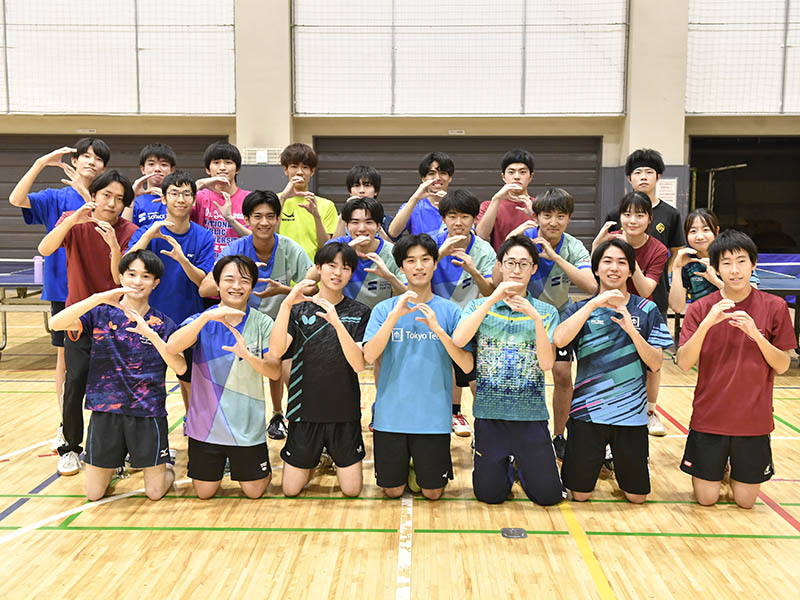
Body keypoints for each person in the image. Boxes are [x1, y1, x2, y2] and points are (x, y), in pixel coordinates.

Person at [48, 250, 185, 501]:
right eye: (131, 274)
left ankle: (165, 465)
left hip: (148, 412)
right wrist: (97, 298)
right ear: (121, 277)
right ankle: (114, 463)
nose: (137, 281)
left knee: (155, 493)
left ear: (155, 283)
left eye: (146, 276)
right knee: (94, 494)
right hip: (106, 410)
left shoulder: (164, 324)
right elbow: (56, 323)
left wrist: (152, 335)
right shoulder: (100, 314)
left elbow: (181, 367)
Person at [676, 230, 796, 508]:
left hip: (753, 421)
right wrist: (707, 323)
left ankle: (730, 469)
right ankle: (720, 468)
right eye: (726, 263)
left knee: (745, 502)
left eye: (741, 261)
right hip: (709, 418)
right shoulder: (701, 308)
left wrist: (756, 335)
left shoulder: (775, 306)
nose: (735, 270)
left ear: (753, 264)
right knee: (706, 499)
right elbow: (683, 363)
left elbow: (782, 365)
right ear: (716, 268)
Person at [553, 239, 673, 503]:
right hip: (587, 414)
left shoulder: (647, 309)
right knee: (579, 495)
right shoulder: (579, 309)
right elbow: (559, 340)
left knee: (637, 497)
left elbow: (655, 364)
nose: (614, 268)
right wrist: (594, 304)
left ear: (630, 270)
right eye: (607, 261)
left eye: (622, 262)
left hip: (631, 416)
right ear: (596, 269)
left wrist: (632, 331)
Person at [8, 138, 109, 450]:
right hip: (64, 292)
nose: (91, 161)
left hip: (101, 292)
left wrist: (86, 195)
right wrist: (40, 163)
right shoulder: (55, 197)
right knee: (65, 360)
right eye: (85, 156)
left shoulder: (107, 197)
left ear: (104, 166)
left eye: (98, 158)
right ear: (74, 161)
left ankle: (108, 426)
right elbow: (16, 199)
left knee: (107, 360)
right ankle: (66, 425)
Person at [38, 169, 139, 475]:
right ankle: (70, 447)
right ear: (94, 195)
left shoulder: (128, 230)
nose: (112, 203)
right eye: (106, 195)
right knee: (75, 382)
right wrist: (71, 221)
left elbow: (120, 279)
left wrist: (114, 246)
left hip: (114, 321)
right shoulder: (73, 220)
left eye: (119, 198)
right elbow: (45, 249)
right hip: (79, 319)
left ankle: (119, 450)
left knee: (118, 386)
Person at [452, 235, 564, 505]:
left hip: (531, 417)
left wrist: (534, 317)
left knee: (548, 497)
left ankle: (520, 466)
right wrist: (492, 299)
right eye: (510, 263)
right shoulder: (478, 307)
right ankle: (508, 464)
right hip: (489, 416)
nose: (516, 269)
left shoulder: (547, 312)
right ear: (500, 265)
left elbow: (546, 364)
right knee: (489, 496)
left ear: (533, 268)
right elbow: (459, 339)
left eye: (523, 264)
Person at [363, 234, 473, 500]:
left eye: (425, 259)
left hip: (433, 418)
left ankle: (417, 466)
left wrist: (439, 331)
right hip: (391, 417)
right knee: (392, 491)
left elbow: (467, 364)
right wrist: (394, 317)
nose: (419, 266)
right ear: (401, 267)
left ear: (435, 264)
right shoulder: (384, 310)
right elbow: (369, 355)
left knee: (432, 493)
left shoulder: (450, 311)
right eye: (411, 261)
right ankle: (409, 465)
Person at [198, 190, 312, 440]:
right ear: (247, 220)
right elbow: (205, 288)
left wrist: (284, 290)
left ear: (278, 219)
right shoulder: (236, 249)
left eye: (270, 216)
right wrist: (241, 278)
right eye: (257, 216)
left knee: (286, 369)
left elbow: (312, 287)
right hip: (243, 323)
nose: (264, 222)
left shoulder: (290, 248)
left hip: (281, 324)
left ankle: (282, 416)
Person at [166, 255, 280, 499]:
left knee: (254, 492)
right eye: (229, 279)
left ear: (252, 286)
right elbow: (172, 347)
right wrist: (206, 317)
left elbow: (274, 371)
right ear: (217, 284)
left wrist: (249, 357)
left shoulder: (263, 323)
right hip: (205, 427)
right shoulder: (200, 320)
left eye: (244, 280)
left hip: (247, 427)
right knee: (204, 493)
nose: (236, 286)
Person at [496, 188, 597, 459]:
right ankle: (505, 435)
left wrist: (555, 257)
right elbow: (495, 280)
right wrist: (508, 239)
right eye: (547, 215)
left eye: (561, 216)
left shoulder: (573, 246)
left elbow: (590, 286)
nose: (553, 222)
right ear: (536, 216)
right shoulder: (522, 240)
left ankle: (559, 435)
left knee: (562, 374)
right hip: (519, 313)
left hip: (558, 316)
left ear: (569, 218)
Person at [269, 242, 371, 497]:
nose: (337, 273)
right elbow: (277, 351)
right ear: (318, 268)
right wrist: (285, 305)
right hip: (305, 412)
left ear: (352, 273)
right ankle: (317, 458)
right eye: (331, 266)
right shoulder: (298, 310)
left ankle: (327, 456)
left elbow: (359, 364)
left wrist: (337, 323)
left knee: (352, 490)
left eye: (345, 268)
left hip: (344, 413)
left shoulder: (360, 312)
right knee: (290, 490)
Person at [604, 149, 685, 436]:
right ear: (629, 178)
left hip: (652, 298)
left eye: (649, 172)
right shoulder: (615, 215)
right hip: (616, 299)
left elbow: (674, 253)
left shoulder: (670, 215)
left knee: (652, 361)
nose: (643, 176)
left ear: (658, 177)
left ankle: (650, 411)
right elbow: (602, 258)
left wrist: (657, 273)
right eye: (637, 172)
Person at [126, 170, 215, 411]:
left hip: (187, 320)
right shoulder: (147, 231)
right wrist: (148, 235)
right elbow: (126, 264)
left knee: (189, 379)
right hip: (149, 319)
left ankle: (192, 423)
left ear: (193, 200)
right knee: (144, 379)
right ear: (164, 198)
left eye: (186, 194)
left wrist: (182, 259)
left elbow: (203, 282)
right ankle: (145, 427)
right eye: (174, 193)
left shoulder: (203, 236)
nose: (180, 199)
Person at [594, 192, 669, 439]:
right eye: (627, 214)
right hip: (609, 306)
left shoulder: (658, 249)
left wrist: (628, 257)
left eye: (639, 215)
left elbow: (646, 289)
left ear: (650, 218)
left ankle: (650, 411)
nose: (632, 220)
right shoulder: (611, 239)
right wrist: (597, 245)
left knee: (652, 364)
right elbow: (595, 270)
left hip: (643, 310)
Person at [431, 189, 496, 436]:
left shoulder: (483, 250)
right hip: (435, 318)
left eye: (465, 216)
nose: (458, 222)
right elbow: (415, 280)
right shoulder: (430, 244)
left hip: (471, 320)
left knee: (476, 379)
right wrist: (439, 255)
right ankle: (452, 413)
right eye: (452, 216)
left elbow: (489, 291)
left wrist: (474, 271)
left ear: (474, 219)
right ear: (443, 219)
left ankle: (485, 429)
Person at [669, 208, 759, 314]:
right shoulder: (687, 264)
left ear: (716, 231)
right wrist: (677, 268)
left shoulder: (733, 258)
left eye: (706, 230)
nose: (699, 236)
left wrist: (715, 281)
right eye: (693, 231)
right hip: (702, 320)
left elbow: (753, 299)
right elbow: (676, 307)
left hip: (735, 318)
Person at [323, 196, 406, 308]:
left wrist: (390, 278)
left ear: (378, 226)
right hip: (338, 314)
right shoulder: (334, 246)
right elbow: (311, 278)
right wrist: (344, 251)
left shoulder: (393, 253)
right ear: (347, 226)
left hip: (379, 316)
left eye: (368, 222)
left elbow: (409, 294)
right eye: (355, 222)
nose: (361, 228)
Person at [277, 143, 339, 259]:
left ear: (312, 171)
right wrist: (283, 199)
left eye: (305, 167)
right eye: (294, 166)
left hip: (314, 268)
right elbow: (268, 237)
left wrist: (316, 217)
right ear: (285, 170)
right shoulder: (274, 201)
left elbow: (327, 247)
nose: (300, 172)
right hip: (281, 267)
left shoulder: (327, 205)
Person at [191, 141, 251, 255]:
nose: (222, 167)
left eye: (228, 162)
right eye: (216, 162)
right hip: (205, 263)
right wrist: (199, 183)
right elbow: (177, 216)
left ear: (237, 169)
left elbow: (257, 239)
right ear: (208, 169)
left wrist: (230, 219)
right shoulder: (199, 197)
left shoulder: (249, 199)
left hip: (240, 262)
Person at [476, 149, 536, 251]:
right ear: (503, 177)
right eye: (511, 172)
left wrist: (534, 214)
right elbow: (481, 236)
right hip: (500, 260)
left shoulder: (539, 205)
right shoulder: (489, 205)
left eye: (522, 172)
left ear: (531, 176)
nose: (516, 177)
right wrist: (496, 199)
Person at [387, 152, 454, 239]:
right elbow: (393, 232)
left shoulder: (459, 204)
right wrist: (414, 199)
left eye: (443, 173)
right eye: (431, 173)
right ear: (423, 179)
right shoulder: (414, 206)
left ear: (450, 178)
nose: (437, 178)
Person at [122, 142, 177, 226]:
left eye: (163, 164)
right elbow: (124, 229)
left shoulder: (179, 199)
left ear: (172, 170)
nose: (157, 169)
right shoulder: (134, 201)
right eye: (151, 164)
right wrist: (131, 196)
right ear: (142, 169)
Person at [333, 165, 394, 239]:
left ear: (376, 191)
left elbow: (391, 246)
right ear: (350, 191)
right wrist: (345, 212)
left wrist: (376, 226)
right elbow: (334, 244)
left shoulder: (387, 221)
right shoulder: (337, 220)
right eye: (356, 185)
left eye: (367, 185)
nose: (361, 190)